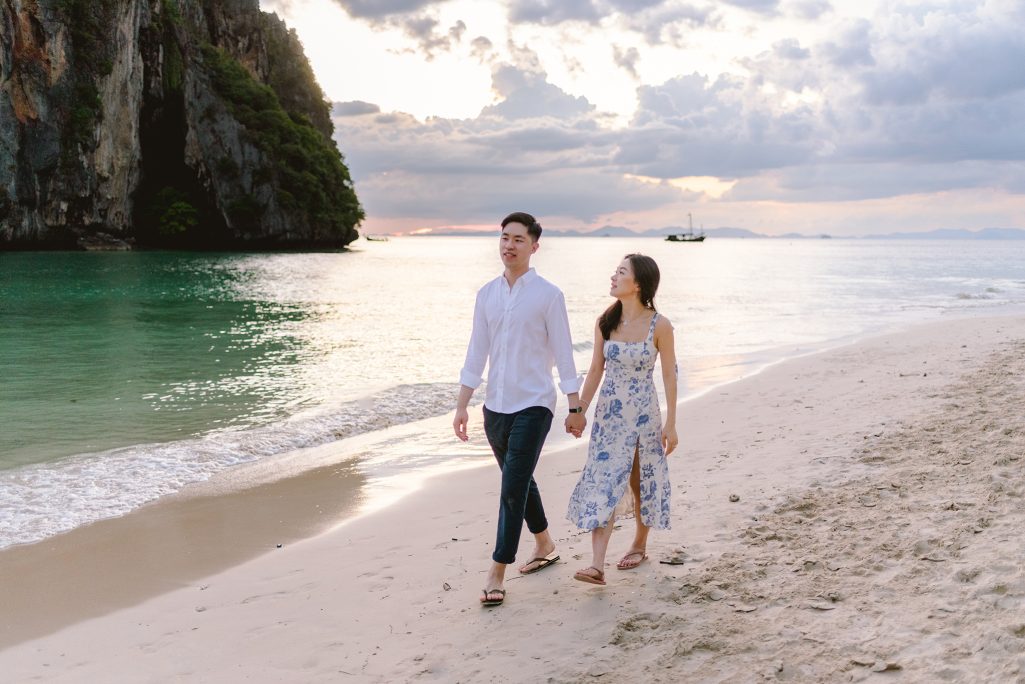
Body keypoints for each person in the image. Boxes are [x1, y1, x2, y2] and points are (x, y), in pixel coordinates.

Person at [453, 211, 586, 607]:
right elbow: (476, 353)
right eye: (505, 238)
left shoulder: (549, 295)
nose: (509, 246)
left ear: (534, 246)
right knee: (521, 480)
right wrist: (462, 405)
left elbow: (564, 354)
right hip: (494, 407)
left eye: (518, 240)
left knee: (511, 487)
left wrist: (574, 405)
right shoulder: (486, 295)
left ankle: (497, 570)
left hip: (534, 404)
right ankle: (544, 543)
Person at [565, 253, 678, 586]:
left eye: (621, 272)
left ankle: (639, 544)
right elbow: (596, 369)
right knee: (604, 481)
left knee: (639, 481)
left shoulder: (661, 325)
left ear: (638, 283)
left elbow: (670, 375)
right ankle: (597, 565)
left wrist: (671, 423)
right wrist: (579, 410)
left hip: (644, 416)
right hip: (609, 418)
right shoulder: (606, 320)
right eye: (615, 271)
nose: (613, 277)